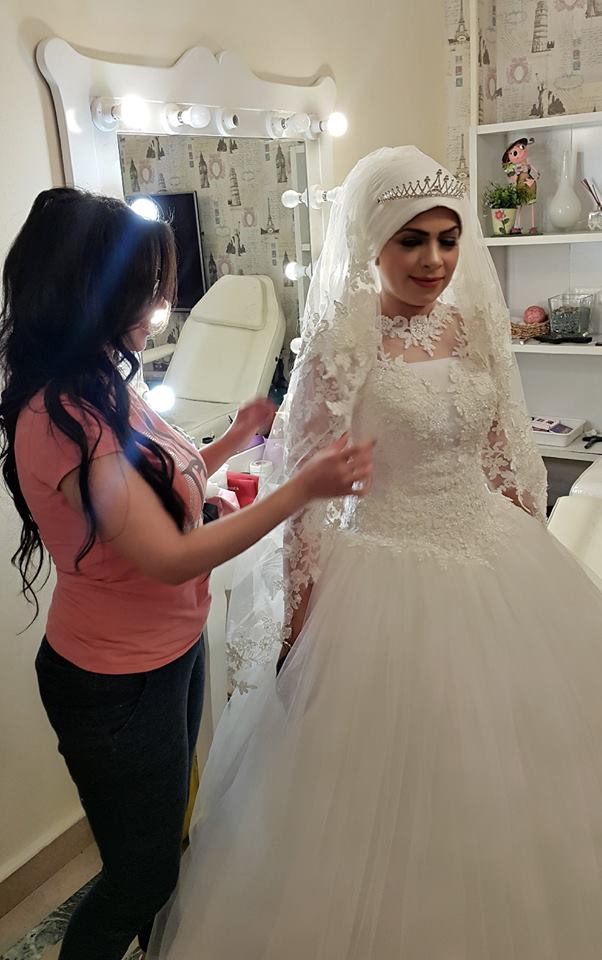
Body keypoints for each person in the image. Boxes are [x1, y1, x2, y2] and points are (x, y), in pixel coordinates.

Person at [149, 148, 602, 960]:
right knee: (384, 797)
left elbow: (505, 453)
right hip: (387, 573)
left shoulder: (473, 328)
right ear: (373, 244)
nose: (435, 260)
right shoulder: (339, 343)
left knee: (511, 779)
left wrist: (527, 552)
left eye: (448, 240)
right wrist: (297, 624)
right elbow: (306, 494)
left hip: (489, 553)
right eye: (412, 241)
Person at [0, 188, 373, 960]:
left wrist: (232, 440)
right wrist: (301, 489)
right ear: (88, 292)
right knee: (140, 877)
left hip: (165, 655)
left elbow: (154, 489)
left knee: (165, 841)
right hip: (112, 681)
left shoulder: (103, 385)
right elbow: (167, 556)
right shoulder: (58, 418)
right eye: (143, 292)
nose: (158, 309)